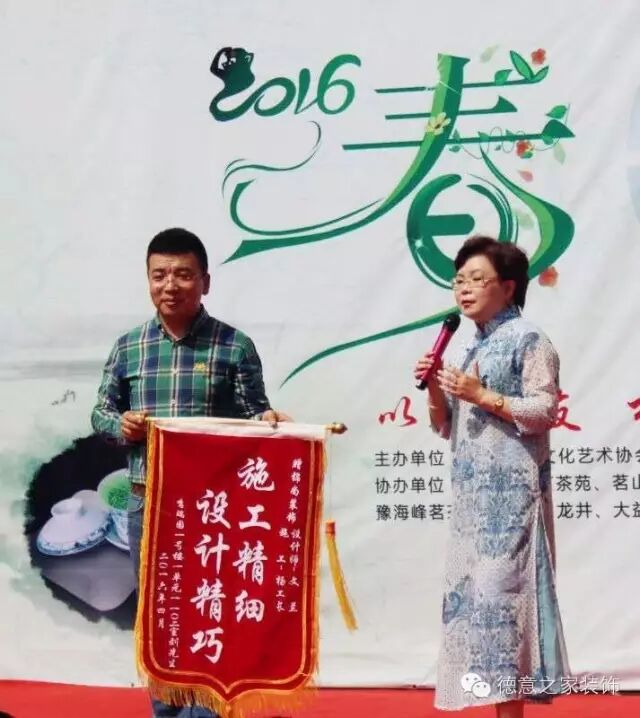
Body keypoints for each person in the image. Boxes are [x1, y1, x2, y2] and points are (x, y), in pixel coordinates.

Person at [91, 227, 290, 718]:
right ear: (148, 280)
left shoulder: (234, 346)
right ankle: (167, 709)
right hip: (149, 501)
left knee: (210, 608)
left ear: (205, 282)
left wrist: (267, 421)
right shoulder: (129, 348)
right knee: (160, 615)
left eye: (183, 274)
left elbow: (254, 415)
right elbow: (100, 414)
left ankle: (208, 709)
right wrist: (121, 425)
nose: (170, 285)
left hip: (214, 506)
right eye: (159, 275)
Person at [413, 236, 570, 718]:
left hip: (512, 503)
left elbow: (543, 411)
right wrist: (436, 388)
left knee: (505, 611)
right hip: (472, 505)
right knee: (476, 612)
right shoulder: (468, 347)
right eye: (459, 280)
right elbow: (446, 425)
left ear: (508, 287)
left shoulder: (529, 339)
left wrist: (481, 395)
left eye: (477, 279)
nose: (464, 289)